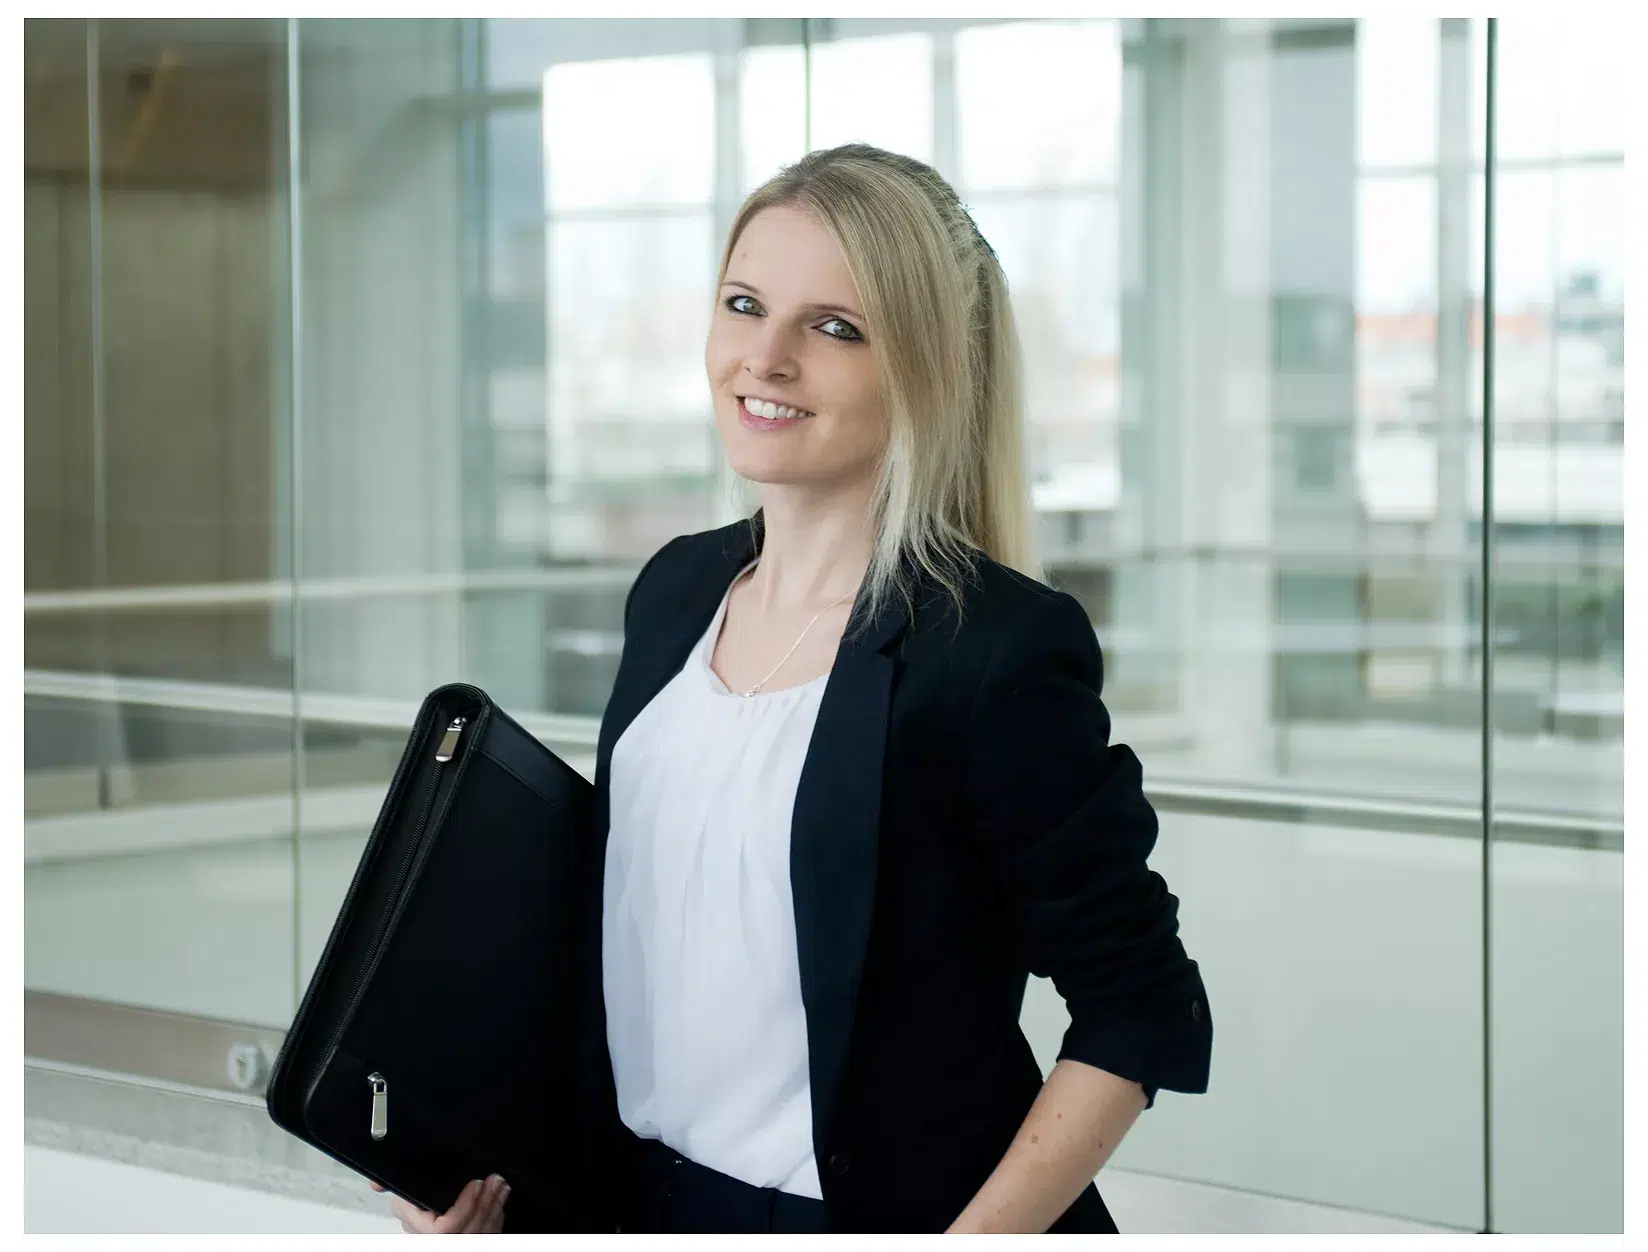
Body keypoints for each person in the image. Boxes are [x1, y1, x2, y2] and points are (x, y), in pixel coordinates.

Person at [382, 141, 1211, 1235]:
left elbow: (1139, 1004)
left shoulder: (994, 651)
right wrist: (489, 1165)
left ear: (923, 368)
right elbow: (627, 942)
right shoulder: (675, 591)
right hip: (630, 1200)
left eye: (833, 327)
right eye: (743, 304)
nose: (763, 358)